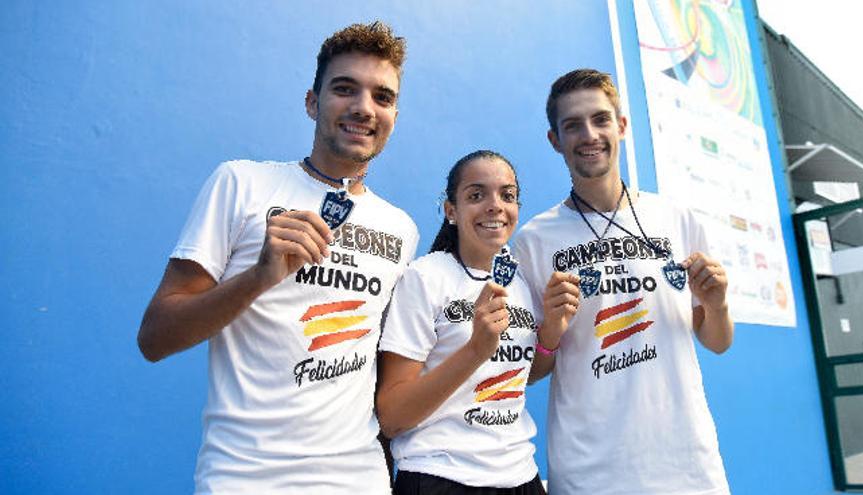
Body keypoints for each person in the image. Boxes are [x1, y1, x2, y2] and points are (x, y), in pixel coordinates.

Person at [137, 22, 418, 494]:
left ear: (393, 114)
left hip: (357, 477)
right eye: (344, 89)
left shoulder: (401, 228)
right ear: (312, 102)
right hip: (243, 477)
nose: (363, 108)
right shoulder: (241, 184)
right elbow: (154, 338)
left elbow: (391, 374)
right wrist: (258, 277)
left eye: (382, 96)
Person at [512, 69, 734, 495]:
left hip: (687, 467)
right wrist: (551, 332)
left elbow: (718, 341)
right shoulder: (534, 242)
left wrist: (718, 305)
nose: (589, 134)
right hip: (589, 474)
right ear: (555, 141)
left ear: (622, 126)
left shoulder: (676, 219)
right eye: (572, 125)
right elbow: (528, 372)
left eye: (600, 120)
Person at [376, 150, 580, 494]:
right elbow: (393, 417)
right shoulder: (425, 278)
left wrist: (551, 334)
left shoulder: (521, 280)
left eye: (508, 195)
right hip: (441, 475)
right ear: (451, 210)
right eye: (476, 195)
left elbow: (524, 376)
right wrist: (474, 350)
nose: (495, 205)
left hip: (520, 475)